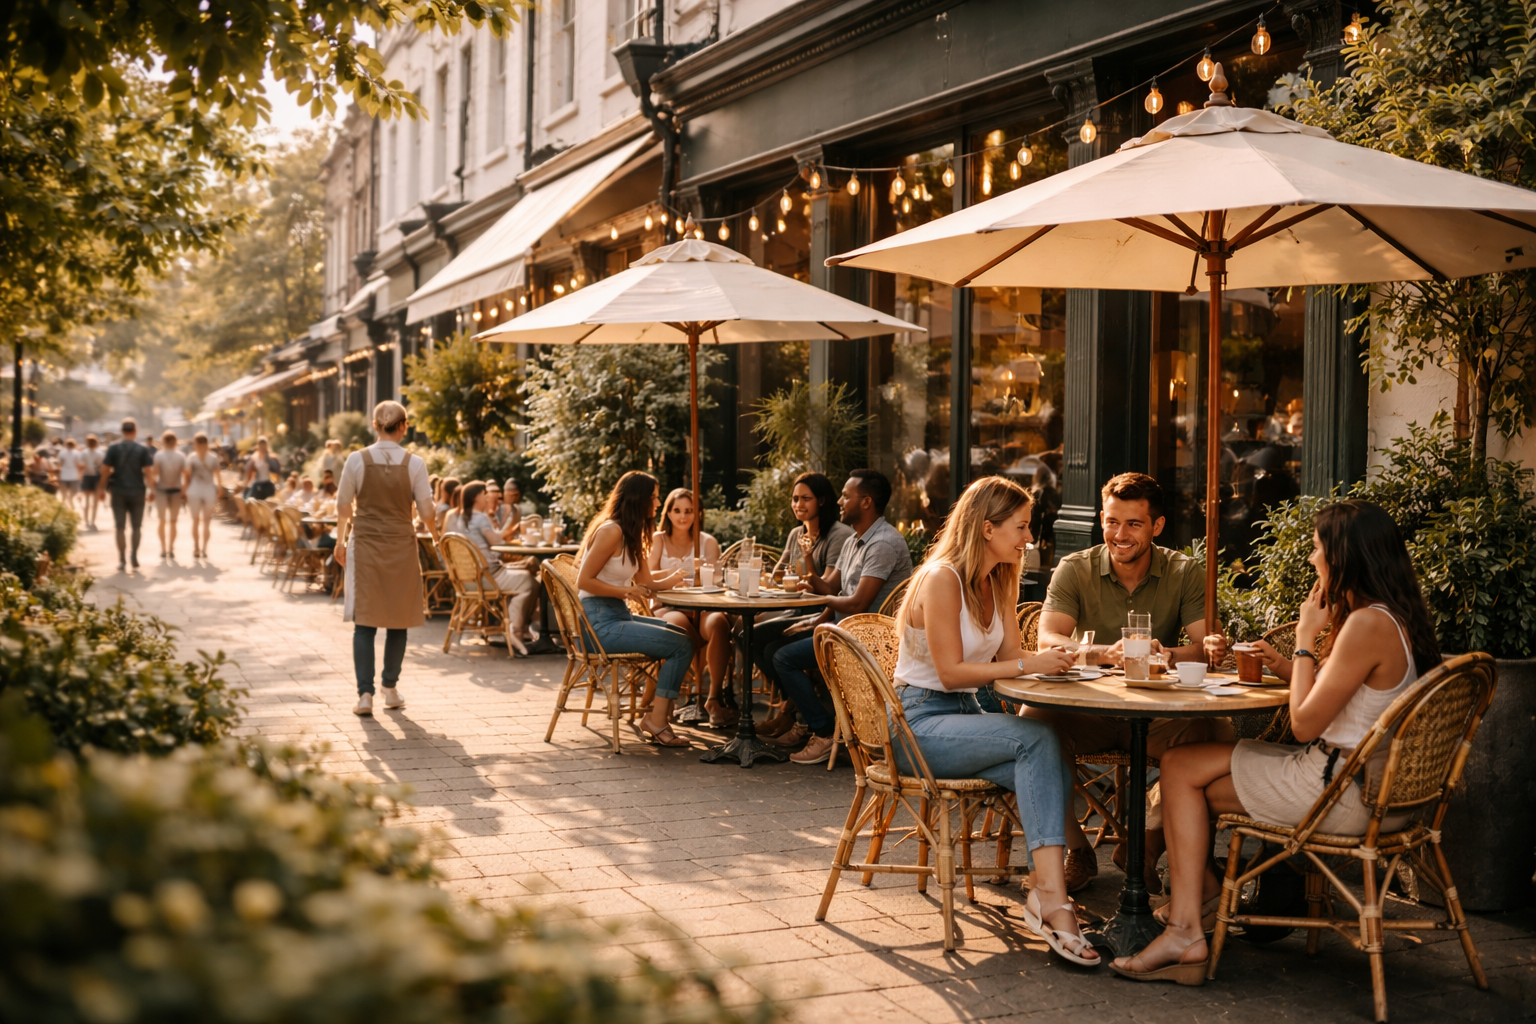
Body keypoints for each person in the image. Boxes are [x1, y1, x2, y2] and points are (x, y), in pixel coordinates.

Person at [1112, 499, 1439, 985]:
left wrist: (1306, 636)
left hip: (1341, 792)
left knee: (1180, 770)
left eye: (1316, 550)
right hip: (1369, 787)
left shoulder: (1367, 625)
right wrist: (1289, 666)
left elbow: (1305, 724)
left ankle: (1187, 925)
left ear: (1343, 556)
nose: (1312, 560)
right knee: (1185, 764)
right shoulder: (1394, 617)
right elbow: (1341, 695)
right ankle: (1195, 908)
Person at [890, 475, 1098, 964]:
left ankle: (1047, 892)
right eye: (1022, 527)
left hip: (967, 715)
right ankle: (1052, 899)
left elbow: (1011, 654)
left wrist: (1078, 659)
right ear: (987, 528)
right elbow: (951, 670)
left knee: (1052, 760)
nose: (1030, 538)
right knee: (1036, 741)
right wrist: (1031, 665)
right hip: (919, 724)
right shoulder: (942, 578)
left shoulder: (999, 577)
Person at [1030, 472, 1234, 894]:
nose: (1119, 535)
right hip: (1089, 709)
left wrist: (1169, 655)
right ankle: (1077, 850)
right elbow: (1047, 638)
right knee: (1033, 722)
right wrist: (1105, 653)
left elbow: (1204, 647)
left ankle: (1143, 847)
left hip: (1160, 712)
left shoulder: (1183, 571)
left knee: (1212, 735)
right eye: (1110, 522)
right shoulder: (1075, 568)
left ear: (1157, 526)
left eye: (1133, 524)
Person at [769, 469, 914, 764]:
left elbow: (858, 602)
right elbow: (832, 587)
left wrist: (822, 605)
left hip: (869, 638)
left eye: (846, 496)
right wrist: (817, 616)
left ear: (866, 502)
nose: (839, 501)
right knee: (772, 645)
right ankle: (813, 719)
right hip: (842, 628)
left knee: (784, 658)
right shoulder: (854, 540)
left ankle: (823, 731)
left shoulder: (882, 543)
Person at [575, 471, 694, 747]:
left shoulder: (633, 533)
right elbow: (584, 581)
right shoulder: (611, 531)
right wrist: (624, 591)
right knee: (681, 645)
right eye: (653, 496)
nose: (657, 502)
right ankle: (657, 720)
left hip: (618, 615)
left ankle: (658, 716)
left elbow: (647, 583)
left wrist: (675, 578)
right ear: (638, 499)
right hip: (598, 623)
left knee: (681, 637)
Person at [335, 401, 438, 716]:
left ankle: (364, 695)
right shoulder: (415, 463)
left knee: (364, 621)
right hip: (401, 546)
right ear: (404, 426)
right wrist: (435, 534)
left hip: (364, 543)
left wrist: (340, 539)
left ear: (375, 425)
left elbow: (342, 505)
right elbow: (427, 511)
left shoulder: (356, 459)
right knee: (399, 618)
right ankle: (390, 688)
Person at [753, 472, 856, 736]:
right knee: (746, 635)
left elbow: (828, 587)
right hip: (795, 609)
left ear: (822, 501)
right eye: (795, 499)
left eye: (805, 499)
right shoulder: (796, 533)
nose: (798, 504)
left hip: (821, 614)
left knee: (771, 648)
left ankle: (799, 714)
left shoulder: (839, 535)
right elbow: (778, 575)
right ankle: (795, 705)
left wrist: (808, 559)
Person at [648, 488, 733, 727]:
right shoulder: (659, 539)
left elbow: (716, 580)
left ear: (698, 513)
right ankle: (670, 697)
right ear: (668, 513)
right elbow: (647, 574)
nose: (683, 517)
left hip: (702, 606)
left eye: (689, 511)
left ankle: (713, 699)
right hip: (668, 605)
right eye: (677, 511)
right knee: (679, 629)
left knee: (719, 622)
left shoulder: (707, 542)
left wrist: (702, 572)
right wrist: (676, 573)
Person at [444, 481, 539, 655]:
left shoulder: (454, 517)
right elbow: (497, 544)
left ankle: (516, 628)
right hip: (487, 577)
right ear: (475, 497)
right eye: (484, 494)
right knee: (531, 582)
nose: (487, 497)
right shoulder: (480, 517)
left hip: (466, 581)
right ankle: (515, 631)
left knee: (523, 574)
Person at [97, 418, 156, 571]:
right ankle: (134, 554)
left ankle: (122, 558)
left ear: (122, 431)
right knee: (136, 527)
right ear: (135, 431)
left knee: (120, 527)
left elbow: (105, 469)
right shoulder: (142, 450)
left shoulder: (113, 448)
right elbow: (148, 473)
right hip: (137, 492)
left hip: (118, 492)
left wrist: (101, 489)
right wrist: (152, 491)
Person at [184, 432, 222, 560]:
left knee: (195, 521)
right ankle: (204, 548)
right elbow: (218, 476)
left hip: (194, 490)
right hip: (209, 491)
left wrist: (184, 489)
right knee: (207, 522)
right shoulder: (213, 457)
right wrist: (220, 488)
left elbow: (187, 475)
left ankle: (196, 547)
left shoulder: (191, 457)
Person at [151, 430, 187, 560]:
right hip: (176, 490)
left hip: (161, 490)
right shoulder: (181, 455)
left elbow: (154, 474)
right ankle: (171, 548)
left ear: (164, 441)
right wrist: (184, 490)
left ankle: (163, 548)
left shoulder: (159, 455)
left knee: (162, 521)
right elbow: (185, 474)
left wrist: (151, 489)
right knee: (173, 522)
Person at [80, 434, 104, 530]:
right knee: (95, 502)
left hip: (86, 476)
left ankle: (86, 521)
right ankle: (92, 521)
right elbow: (101, 466)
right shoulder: (100, 453)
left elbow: (81, 466)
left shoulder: (84, 453)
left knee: (86, 500)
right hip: (96, 477)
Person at [55, 437, 84, 511]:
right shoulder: (77, 453)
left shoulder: (62, 452)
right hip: (74, 475)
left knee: (64, 493)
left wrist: (58, 475)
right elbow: (79, 465)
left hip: (64, 475)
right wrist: (80, 474)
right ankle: (70, 500)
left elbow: (59, 464)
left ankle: (65, 507)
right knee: (74, 491)